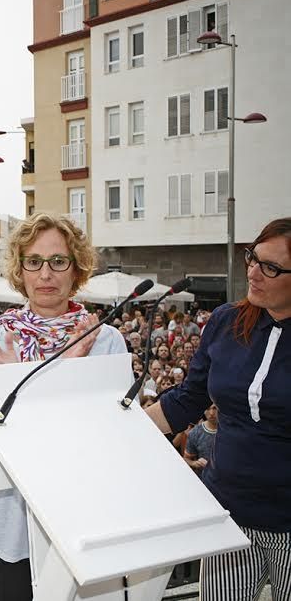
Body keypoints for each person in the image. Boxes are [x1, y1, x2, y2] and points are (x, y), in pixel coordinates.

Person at [0, 213, 126, 600]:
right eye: (34, 261)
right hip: (11, 519)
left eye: (58, 261)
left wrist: (54, 382)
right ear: (20, 269)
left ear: (76, 269)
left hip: (83, 514)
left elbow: (114, 438)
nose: (46, 273)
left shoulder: (105, 341)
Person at [145, 218, 291, 600]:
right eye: (253, 258)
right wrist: (122, 427)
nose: (253, 272)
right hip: (229, 515)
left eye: (270, 267)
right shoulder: (227, 321)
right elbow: (188, 399)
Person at [183, 404, 218, 475]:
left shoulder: (230, 431)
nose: (211, 413)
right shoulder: (195, 432)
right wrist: (194, 463)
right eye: (207, 408)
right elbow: (186, 459)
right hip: (203, 478)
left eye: (215, 408)